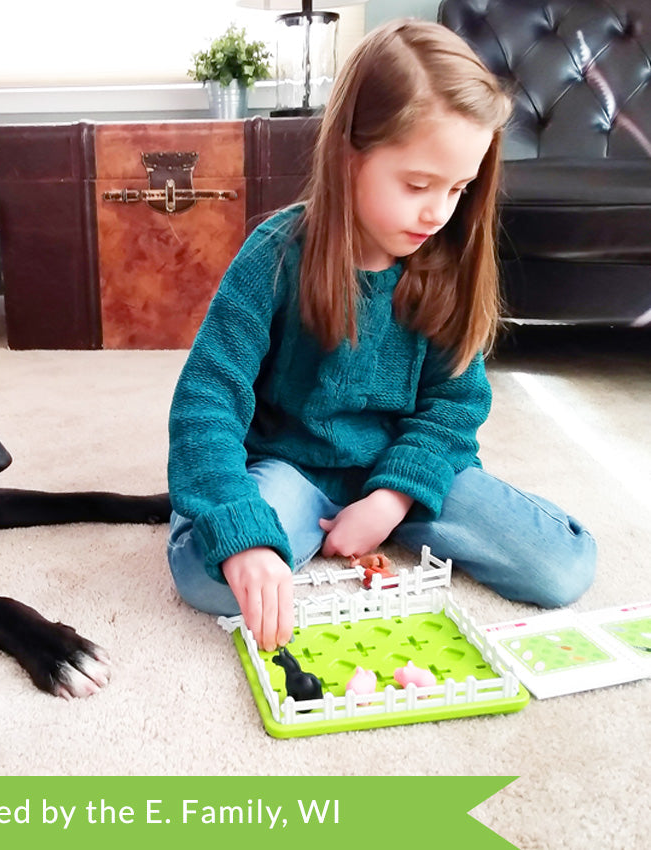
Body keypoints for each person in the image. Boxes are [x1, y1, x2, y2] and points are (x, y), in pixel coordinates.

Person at [166, 19, 596, 652]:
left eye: (459, 188)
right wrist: (245, 532)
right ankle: (270, 523)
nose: (438, 212)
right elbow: (208, 399)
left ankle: (366, 517)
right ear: (350, 157)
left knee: (564, 567)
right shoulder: (274, 257)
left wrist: (392, 499)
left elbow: (455, 407)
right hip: (289, 469)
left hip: (399, 468)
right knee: (210, 578)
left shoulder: (446, 259)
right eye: (418, 185)